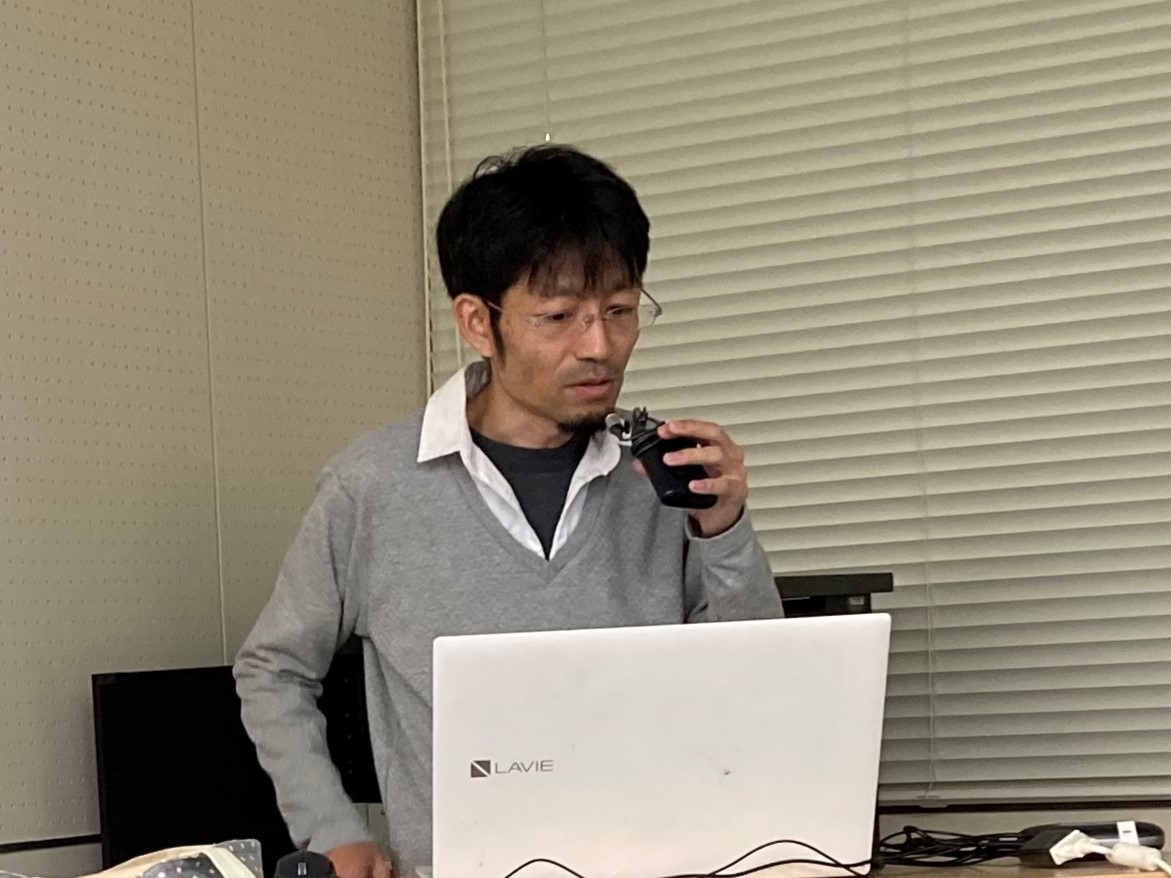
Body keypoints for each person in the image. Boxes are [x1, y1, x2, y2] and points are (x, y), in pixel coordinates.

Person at [233, 144, 783, 878]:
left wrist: (724, 531)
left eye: (620, 311)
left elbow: (757, 690)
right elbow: (273, 668)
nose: (599, 347)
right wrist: (331, 829)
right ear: (477, 321)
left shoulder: (662, 478)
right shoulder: (372, 486)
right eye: (557, 317)